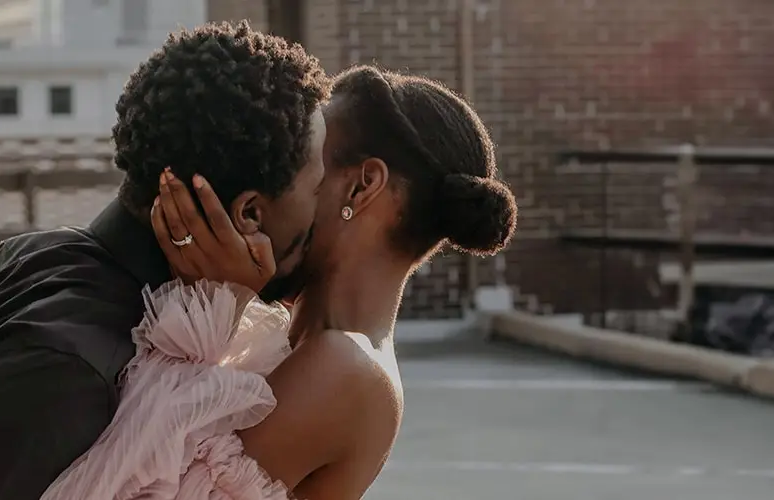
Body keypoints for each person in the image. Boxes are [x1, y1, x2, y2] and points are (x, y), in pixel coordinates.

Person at [0, 22, 330, 500]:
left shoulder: (12, 259)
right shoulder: (77, 365)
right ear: (248, 213)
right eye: (317, 185)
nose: (328, 204)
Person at [37, 66, 517, 498]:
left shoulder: (344, 368)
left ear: (362, 186)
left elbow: (117, 482)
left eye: (303, 161)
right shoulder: (292, 332)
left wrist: (213, 299)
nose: (274, 176)